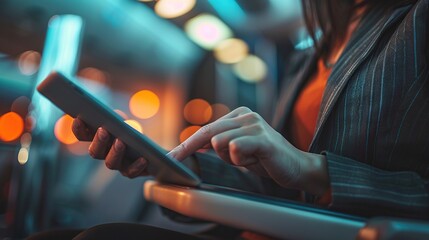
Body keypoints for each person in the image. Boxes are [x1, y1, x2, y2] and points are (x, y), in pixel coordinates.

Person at [28, 0, 429, 239]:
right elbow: (279, 190)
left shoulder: (416, 22)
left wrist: (311, 169)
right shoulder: (309, 57)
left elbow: (299, 177)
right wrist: (176, 167)